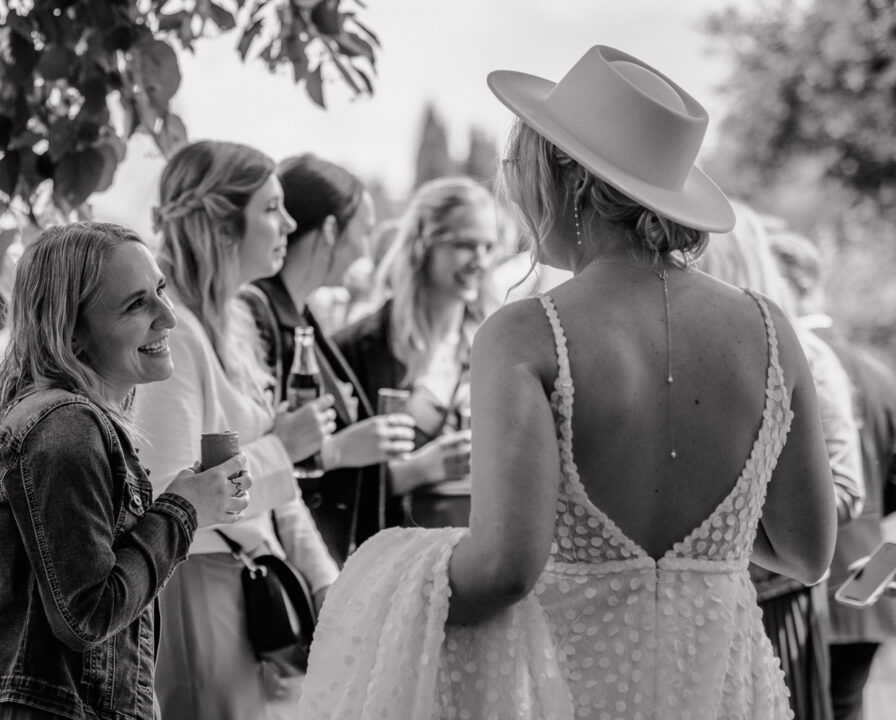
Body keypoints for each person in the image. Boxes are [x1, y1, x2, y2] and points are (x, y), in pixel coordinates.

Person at [299, 45, 836, 720]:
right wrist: (709, 532)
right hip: (725, 690)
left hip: (572, 692)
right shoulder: (769, 329)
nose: (516, 193)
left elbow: (502, 572)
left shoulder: (525, 334)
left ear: (571, 182)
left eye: (519, 166)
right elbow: (807, 550)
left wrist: (386, 578)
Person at [0, 222, 250, 719]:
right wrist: (182, 512)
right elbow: (87, 614)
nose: (168, 318)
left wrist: (190, 503)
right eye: (136, 304)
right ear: (72, 331)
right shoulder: (67, 428)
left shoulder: (76, 421)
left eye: (160, 290)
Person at [135, 140, 339, 719]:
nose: (291, 223)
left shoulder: (235, 323)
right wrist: (285, 446)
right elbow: (169, 488)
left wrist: (323, 578)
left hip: (245, 577)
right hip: (195, 578)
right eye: (272, 209)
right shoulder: (173, 335)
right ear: (224, 225)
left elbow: (279, 488)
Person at [698, 203, 865, 720]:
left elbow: (845, 486)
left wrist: (735, 519)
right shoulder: (691, 347)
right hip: (703, 596)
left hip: (778, 596)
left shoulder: (808, 356)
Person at [244, 153, 415, 563]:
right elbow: (250, 446)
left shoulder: (302, 317)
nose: (366, 250)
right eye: (365, 232)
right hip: (283, 559)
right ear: (331, 230)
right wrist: (338, 450)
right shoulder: (260, 319)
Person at [768, 227, 896, 720]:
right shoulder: (879, 370)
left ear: (795, 283)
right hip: (868, 581)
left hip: (803, 585)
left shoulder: (796, 359)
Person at [333, 176, 500, 529]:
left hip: (474, 554)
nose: (480, 261)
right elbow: (324, 484)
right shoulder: (357, 348)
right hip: (391, 559)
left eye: (489, 246)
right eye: (466, 245)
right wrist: (414, 472)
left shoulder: (493, 345)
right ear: (424, 245)